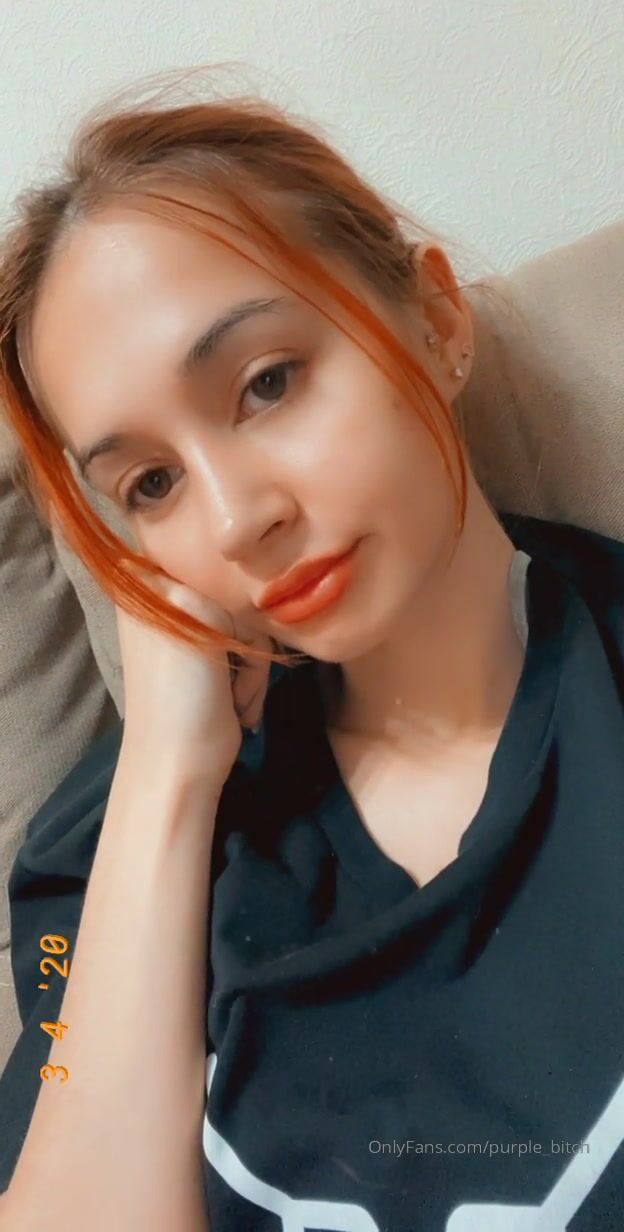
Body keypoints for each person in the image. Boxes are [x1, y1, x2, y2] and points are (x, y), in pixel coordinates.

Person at [0, 71, 622, 1232]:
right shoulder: (108, 846)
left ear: (436, 321)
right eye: (152, 483)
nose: (237, 518)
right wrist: (168, 777)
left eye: (267, 383)